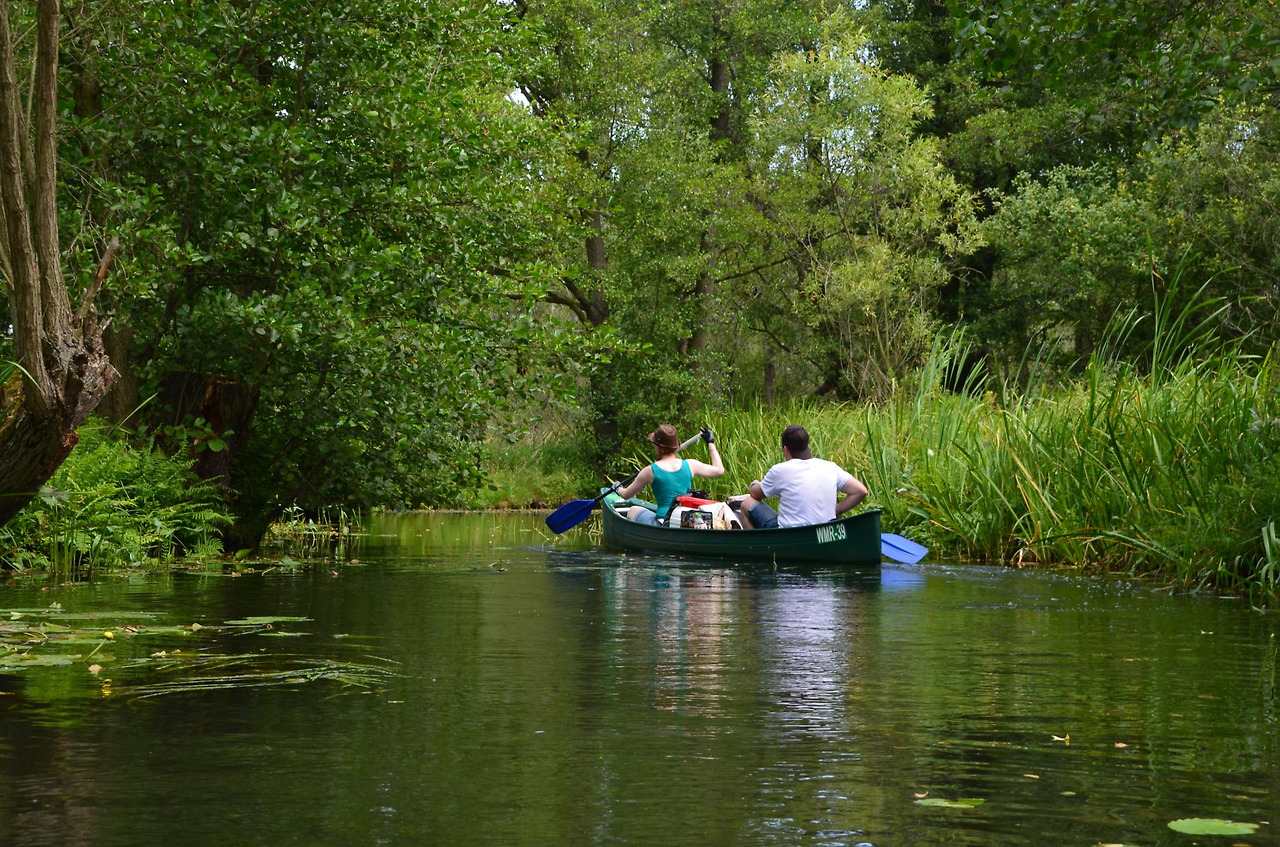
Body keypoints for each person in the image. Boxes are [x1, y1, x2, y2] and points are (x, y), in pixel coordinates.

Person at [738, 424, 867, 529]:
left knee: (746, 503)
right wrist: (837, 510)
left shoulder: (780, 470)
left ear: (786, 450)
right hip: (825, 531)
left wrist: (754, 484)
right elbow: (860, 491)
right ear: (807, 445)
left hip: (790, 535)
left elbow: (756, 494)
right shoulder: (830, 467)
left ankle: (758, 548)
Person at [616, 424, 724, 525]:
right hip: (683, 521)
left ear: (658, 446)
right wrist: (710, 442)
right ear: (676, 444)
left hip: (664, 523)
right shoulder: (691, 464)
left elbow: (626, 495)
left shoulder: (649, 471)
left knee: (633, 510)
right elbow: (719, 470)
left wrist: (618, 488)